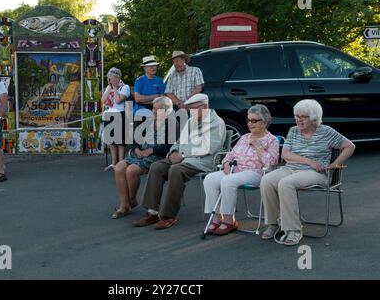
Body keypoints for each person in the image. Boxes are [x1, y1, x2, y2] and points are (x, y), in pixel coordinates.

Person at [260, 99, 356, 246]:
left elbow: (349, 146)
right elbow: (285, 154)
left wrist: (334, 165)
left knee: (286, 183)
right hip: (292, 168)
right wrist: (308, 161)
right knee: (267, 180)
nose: (298, 119)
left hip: (316, 173)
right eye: (297, 116)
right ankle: (274, 223)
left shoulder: (327, 132)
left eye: (303, 116)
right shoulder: (293, 131)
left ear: (314, 118)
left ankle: (294, 230)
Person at [133, 93, 225, 229]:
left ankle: (168, 216)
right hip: (182, 157)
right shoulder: (191, 121)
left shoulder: (217, 123)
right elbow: (178, 141)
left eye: (194, 109)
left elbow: (209, 147)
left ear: (205, 106)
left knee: (175, 170)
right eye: (190, 109)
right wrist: (174, 152)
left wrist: (182, 154)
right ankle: (152, 212)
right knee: (156, 166)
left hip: (201, 161)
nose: (191, 112)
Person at [203, 104, 279, 235]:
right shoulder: (244, 137)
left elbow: (271, 163)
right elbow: (230, 154)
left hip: (257, 173)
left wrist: (258, 146)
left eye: (254, 120)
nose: (250, 123)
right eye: (249, 120)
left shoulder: (272, 140)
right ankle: (216, 218)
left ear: (265, 122)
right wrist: (226, 162)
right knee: (210, 179)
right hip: (236, 170)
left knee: (228, 181)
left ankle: (228, 220)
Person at [112, 97, 178, 219]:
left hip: (157, 156)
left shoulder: (172, 123)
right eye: (153, 108)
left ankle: (130, 201)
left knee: (131, 170)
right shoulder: (149, 121)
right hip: (141, 153)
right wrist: (136, 148)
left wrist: (151, 150)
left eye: (157, 110)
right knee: (119, 167)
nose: (153, 111)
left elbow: (169, 147)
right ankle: (124, 203)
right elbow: (136, 138)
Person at [101, 67, 131, 171]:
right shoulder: (108, 87)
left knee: (120, 141)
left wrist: (114, 88)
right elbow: (103, 100)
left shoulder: (124, 87)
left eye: (113, 78)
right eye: (110, 78)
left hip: (119, 114)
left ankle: (121, 163)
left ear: (118, 78)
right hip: (109, 114)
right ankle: (113, 163)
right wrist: (109, 88)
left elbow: (118, 100)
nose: (111, 80)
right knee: (111, 141)